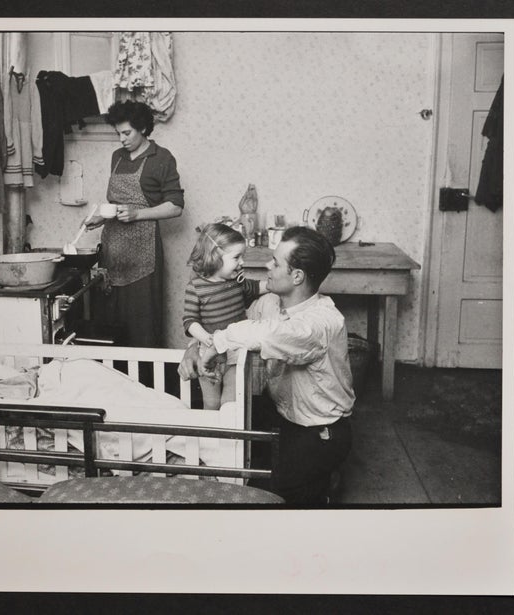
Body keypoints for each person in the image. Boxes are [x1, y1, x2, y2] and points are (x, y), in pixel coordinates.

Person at [178, 226, 355, 504]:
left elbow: (268, 334)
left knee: (271, 495)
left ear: (297, 276)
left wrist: (216, 344)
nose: (266, 265)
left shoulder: (321, 322)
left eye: (275, 261)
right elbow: (233, 326)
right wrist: (193, 348)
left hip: (318, 427)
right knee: (236, 456)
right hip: (280, 412)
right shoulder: (271, 302)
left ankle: (324, 477)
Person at [84, 100, 184, 348]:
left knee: (142, 323)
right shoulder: (117, 157)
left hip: (143, 257)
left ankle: (145, 382)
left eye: (127, 133)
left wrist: (138, 214)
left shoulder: (161, 158)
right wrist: (101, 217)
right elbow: (116, 203)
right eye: (118, 133)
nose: (122, 139)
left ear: (143, 129)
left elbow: (176, 206)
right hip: (112, 253)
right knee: (111, 322)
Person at [183, 223, 267, 409]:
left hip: (235, 351)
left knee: (230, 404)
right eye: (236, 257)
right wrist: (206, 338)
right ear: (214, 257)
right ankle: (210, 438)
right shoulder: (196, 287)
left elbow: (256, 287)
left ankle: (232, 435)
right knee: (211, 405)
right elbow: (190, 321)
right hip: (209, 354)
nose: (242, 262)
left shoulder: (237, 282)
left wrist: (275, 284)